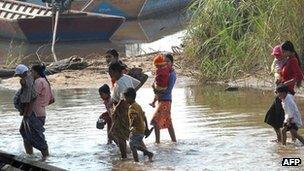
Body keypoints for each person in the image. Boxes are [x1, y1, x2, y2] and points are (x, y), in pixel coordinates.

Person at [265, 41, 303, 143]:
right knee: (281, 117)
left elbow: (299, 76)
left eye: (283, 52)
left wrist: (284, 84)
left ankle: (283, 142)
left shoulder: (292, 61)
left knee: (273, 116)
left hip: (286, 92)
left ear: (288, 51)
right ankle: (289, 142)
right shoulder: (289, 60)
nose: (282, 54)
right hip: (283, 91)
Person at [108, 62, 141, 159]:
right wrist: (133, 94)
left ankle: (124, 157)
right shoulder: (125, 78)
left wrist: (116, 109)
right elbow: (137, 83)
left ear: (115, 71)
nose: (109, 74)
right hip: (129, 108)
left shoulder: (121, 82)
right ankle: (144, 152)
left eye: (110, 72)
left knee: (119, 135)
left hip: (122, 111)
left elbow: (123, 99)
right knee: (133, 133)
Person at [150, 53, 177, 144]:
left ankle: (157, 143)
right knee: (168, 122)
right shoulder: (166, 72)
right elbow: (160, 86)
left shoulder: (171, 74)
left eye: (168, 61)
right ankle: (174, 142)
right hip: (163, 100)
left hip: (165, 100)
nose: (165, 63)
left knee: (155, 120)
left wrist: (156, 90)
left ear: (172, 63)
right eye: (164, 61)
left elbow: (166, 90)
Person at [124, 88, 154, 162]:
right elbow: (144, 117)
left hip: (136, 130)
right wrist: (146, 127)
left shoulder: (132, 107)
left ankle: (139, 159)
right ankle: (144, 155)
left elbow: (134, 118)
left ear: (130, 98)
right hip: (141, 129)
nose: (125, 100)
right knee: (134, 144)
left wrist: (130, 126)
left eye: (126, 98)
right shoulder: (137, 105)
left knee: (132, 144)